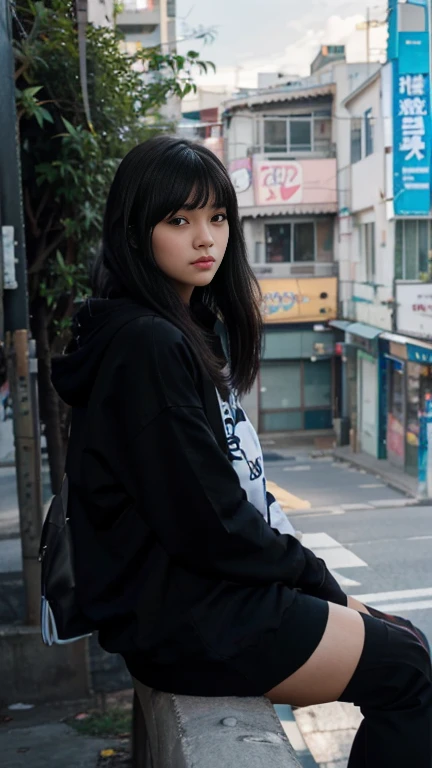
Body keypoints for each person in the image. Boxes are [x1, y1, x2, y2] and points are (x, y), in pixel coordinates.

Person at [51, 137, 432, 767]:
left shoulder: (172, 328)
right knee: (410, 670)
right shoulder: (147, 344)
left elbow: (230, 505)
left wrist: (325, 591)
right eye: (179, 220)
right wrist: (324, 586)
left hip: (192, 602)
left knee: (405, 640)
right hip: (193, 617)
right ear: (133, 230)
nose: (206, 239)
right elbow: (215, 522)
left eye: (217, 217)